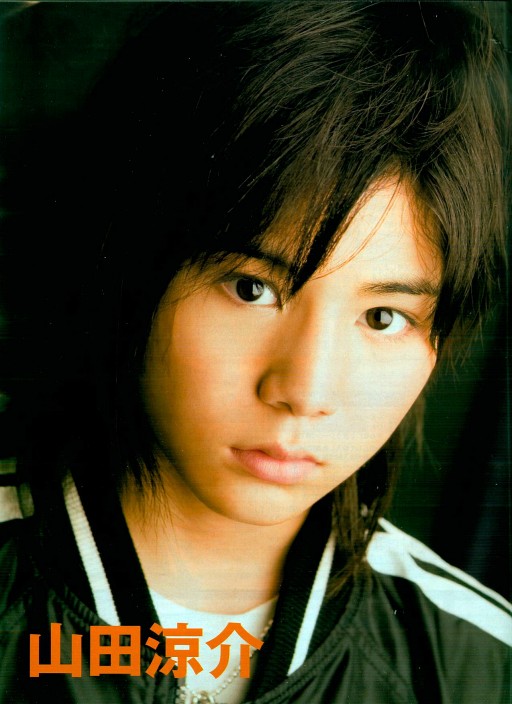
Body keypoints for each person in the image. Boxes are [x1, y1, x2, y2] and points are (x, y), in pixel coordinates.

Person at [0, 2, 509, 703]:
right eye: (252, 289)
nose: (306, 389)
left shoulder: (477, 665)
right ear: (135, 267)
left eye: (383, 317)